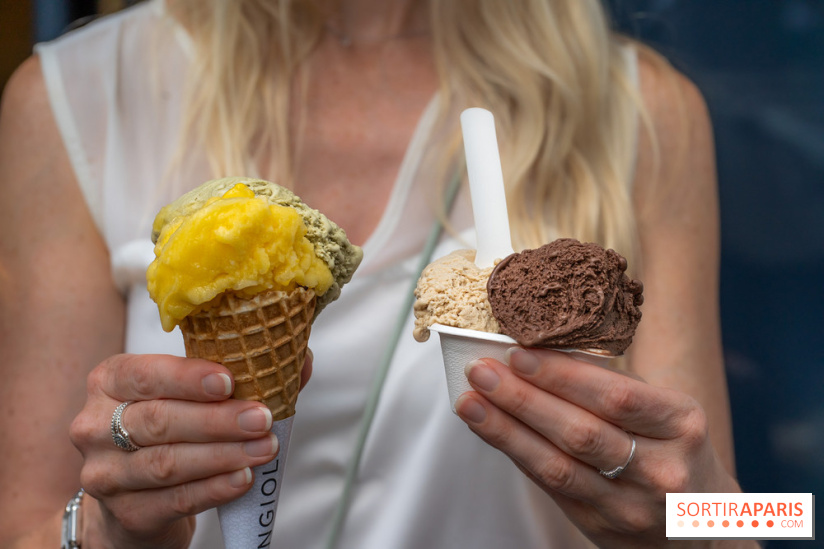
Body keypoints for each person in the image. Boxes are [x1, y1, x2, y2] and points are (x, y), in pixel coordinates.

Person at [0, 0, 754, 547]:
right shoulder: (79, 99)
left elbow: (770, 516)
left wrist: (703, 517)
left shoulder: (642, 111)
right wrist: (102, 532)